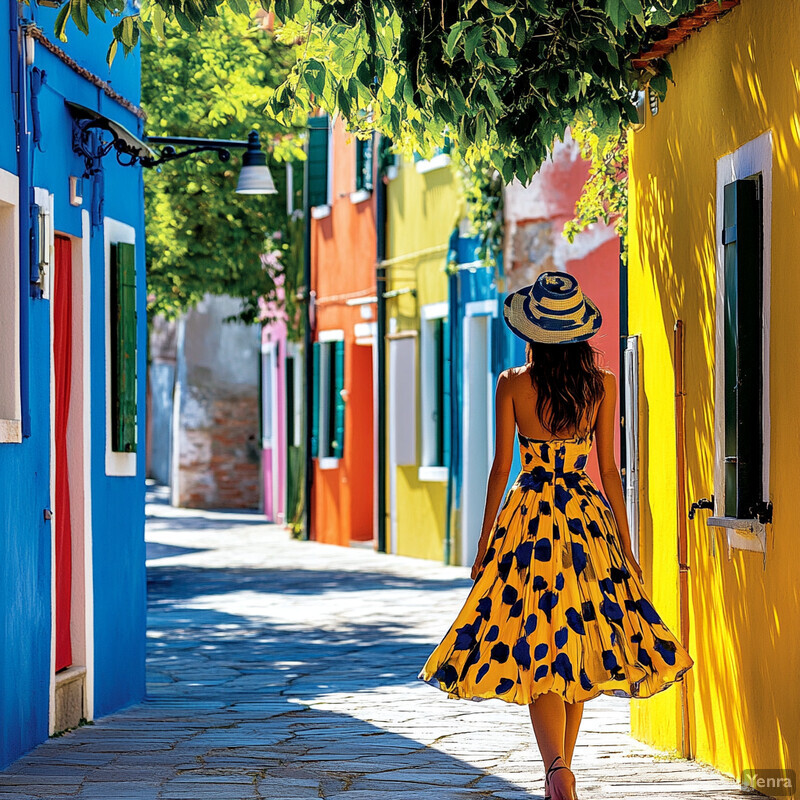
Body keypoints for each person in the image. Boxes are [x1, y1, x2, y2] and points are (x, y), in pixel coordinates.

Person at [418, 271, 694, 800]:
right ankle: (560, 769)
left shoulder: (512, 384)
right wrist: (626, 544)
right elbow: (610, 470)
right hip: (585, 522)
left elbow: (500, 469)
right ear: (579, 334)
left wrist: (483, 545)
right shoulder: (603, 386)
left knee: (539, 645)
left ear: (533, 332)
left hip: (528, 523)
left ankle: (556, 770)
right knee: (574, 641)